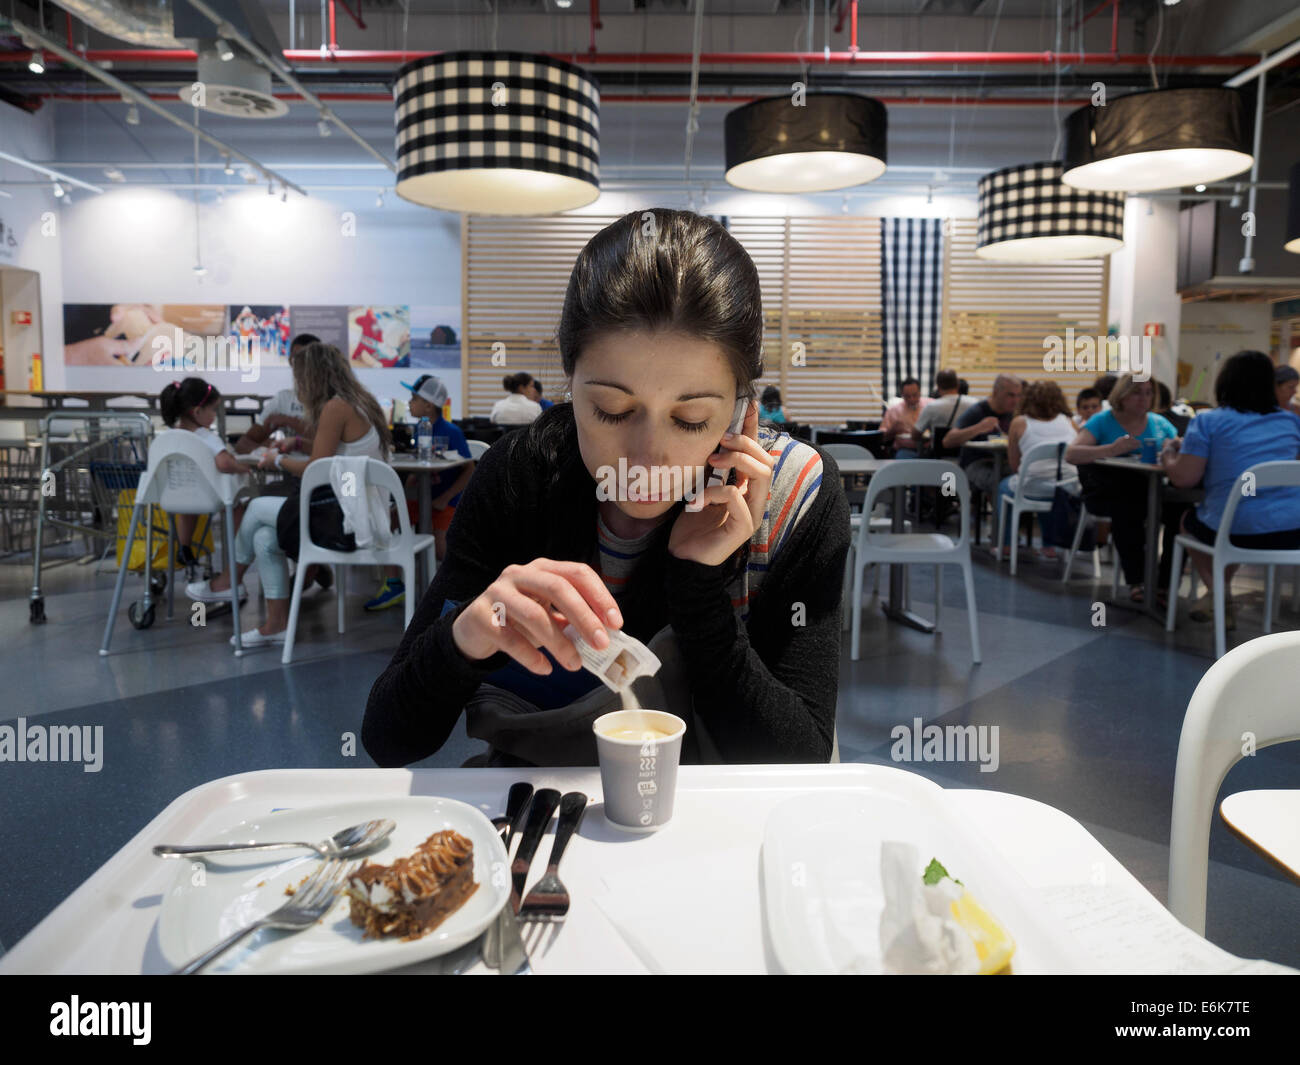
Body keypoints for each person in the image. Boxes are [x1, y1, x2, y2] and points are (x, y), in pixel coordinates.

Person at [362, 208, 850, 768]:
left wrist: (698, 584)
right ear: (568, 382)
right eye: (612, 410)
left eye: (691, 419)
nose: (646, 458)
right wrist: (466, 633)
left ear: (741, 408)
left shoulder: (793, 494)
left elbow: (795, 761)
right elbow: (389, 739)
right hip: (541, 813)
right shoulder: (520, 476)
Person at [187, 343, 392, 646]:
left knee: (256, 508)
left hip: (348, 524)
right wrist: (296, 443)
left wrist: (277, 460)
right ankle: (276, 625)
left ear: (311, 377)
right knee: (264, 540)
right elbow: (333, 452)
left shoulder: (336, 407)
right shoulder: (357, 402)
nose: (296, 385)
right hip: (359, 517)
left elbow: (315, 470)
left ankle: (227, 582)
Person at [1161, 350, 1300, 629]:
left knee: (1191, 521)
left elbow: (1184, 479)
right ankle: (1218, 596)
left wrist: (1168, 455)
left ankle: (1219, 595)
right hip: (1291, 533)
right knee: (1228, 521)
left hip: (1237, 531)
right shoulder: (1291, 422)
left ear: (1224, 382)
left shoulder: (1208, 421)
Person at [1065, 373, 1183, 605]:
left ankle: (1164, 583)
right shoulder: (1102, 421)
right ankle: (1137, 580)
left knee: (1182, 516)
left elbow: (1181, 448)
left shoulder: (1159, 423)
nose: (1143, 398)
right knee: (1128, 508)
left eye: (1148, 393)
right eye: (1137, 392)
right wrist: (1111, 449)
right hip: (1108, 491)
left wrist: (1174, 448)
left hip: (1153, 492)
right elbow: (1071, 454)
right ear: (1122, 395)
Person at [365, 375, 477, 611]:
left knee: (440, 549)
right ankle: (394, 584)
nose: (409, 403)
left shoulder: (451, 431)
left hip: (446, 502)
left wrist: (445, 498)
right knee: (384, 524)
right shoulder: (420, 427)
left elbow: (469, 469)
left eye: (414, 398)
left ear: (428, 404)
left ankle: (460, 591)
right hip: (421, 499)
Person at [159, 377, 248, 590]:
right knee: (237, 506)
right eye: (213, 410)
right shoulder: (206, 437)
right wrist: (241, 468)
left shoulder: (168, 437)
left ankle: (185, 546)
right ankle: (237, 549)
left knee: (187, 508)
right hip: (210, 497)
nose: (215, 415)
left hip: (175, 498)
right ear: (197, 412)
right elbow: (224, 462)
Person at [993, 381, 1079, 560]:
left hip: (1032, 488)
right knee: (1050, 486)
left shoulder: (1019, 423)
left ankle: (1007, 544)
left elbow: (1016, 466)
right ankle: (1049, 546)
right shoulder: (1070, 423)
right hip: (1067, 489)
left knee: (1005, 486)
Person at [233, 334, 319, 454]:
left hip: (315, 469)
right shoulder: (283, 398)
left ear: (319, 363)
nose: (299, 365)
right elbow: (243, 444)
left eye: (305, 359)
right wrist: (263, 450)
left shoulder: (332, 401)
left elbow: (325, 444)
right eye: (295, 359)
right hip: (287, 468)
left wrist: (289, 421)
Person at [943, 374, 1023, 498]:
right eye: (1010, 395)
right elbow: (947, 441)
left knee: (1024, 480)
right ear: (996, 393)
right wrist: (979, 428)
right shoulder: (977, 411)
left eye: (1018, 395)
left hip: (1003, 462)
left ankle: (1016, 516)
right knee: (999, 483)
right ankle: (999, 516)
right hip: (975, 463)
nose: (1016, 401)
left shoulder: (1014, 414)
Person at [915, 369, 977, 457]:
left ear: (938, 387)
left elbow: (915, 434)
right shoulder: (974, 403)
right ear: (958, 385)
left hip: (939, 458)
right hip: (967, 457)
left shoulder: (931, 406)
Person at [880, 377, 931, 458]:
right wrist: (893, 430)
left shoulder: (930, 405)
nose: (912, 399)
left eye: (915, 395)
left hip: (928, 448)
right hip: (904, 449)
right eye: (907, 396)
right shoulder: (893, 410)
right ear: (902, 395)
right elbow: (882, 437)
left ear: (920, 392)